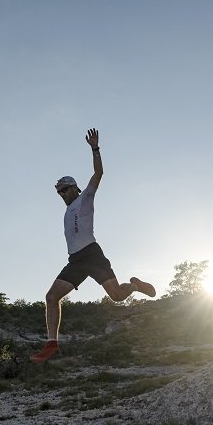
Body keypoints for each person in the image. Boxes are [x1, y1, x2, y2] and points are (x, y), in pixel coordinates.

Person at [30, 128, 156, 363]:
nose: (61, 194)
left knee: (117, 296)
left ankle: (135, 286)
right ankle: (51, 344)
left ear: (75, 188)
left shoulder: (85, 197)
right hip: (75, 261)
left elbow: (99, 173)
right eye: (58, 191)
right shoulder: (67, 212)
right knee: (51, 296)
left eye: (64, 189)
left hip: (92, 255)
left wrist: (95, 148)